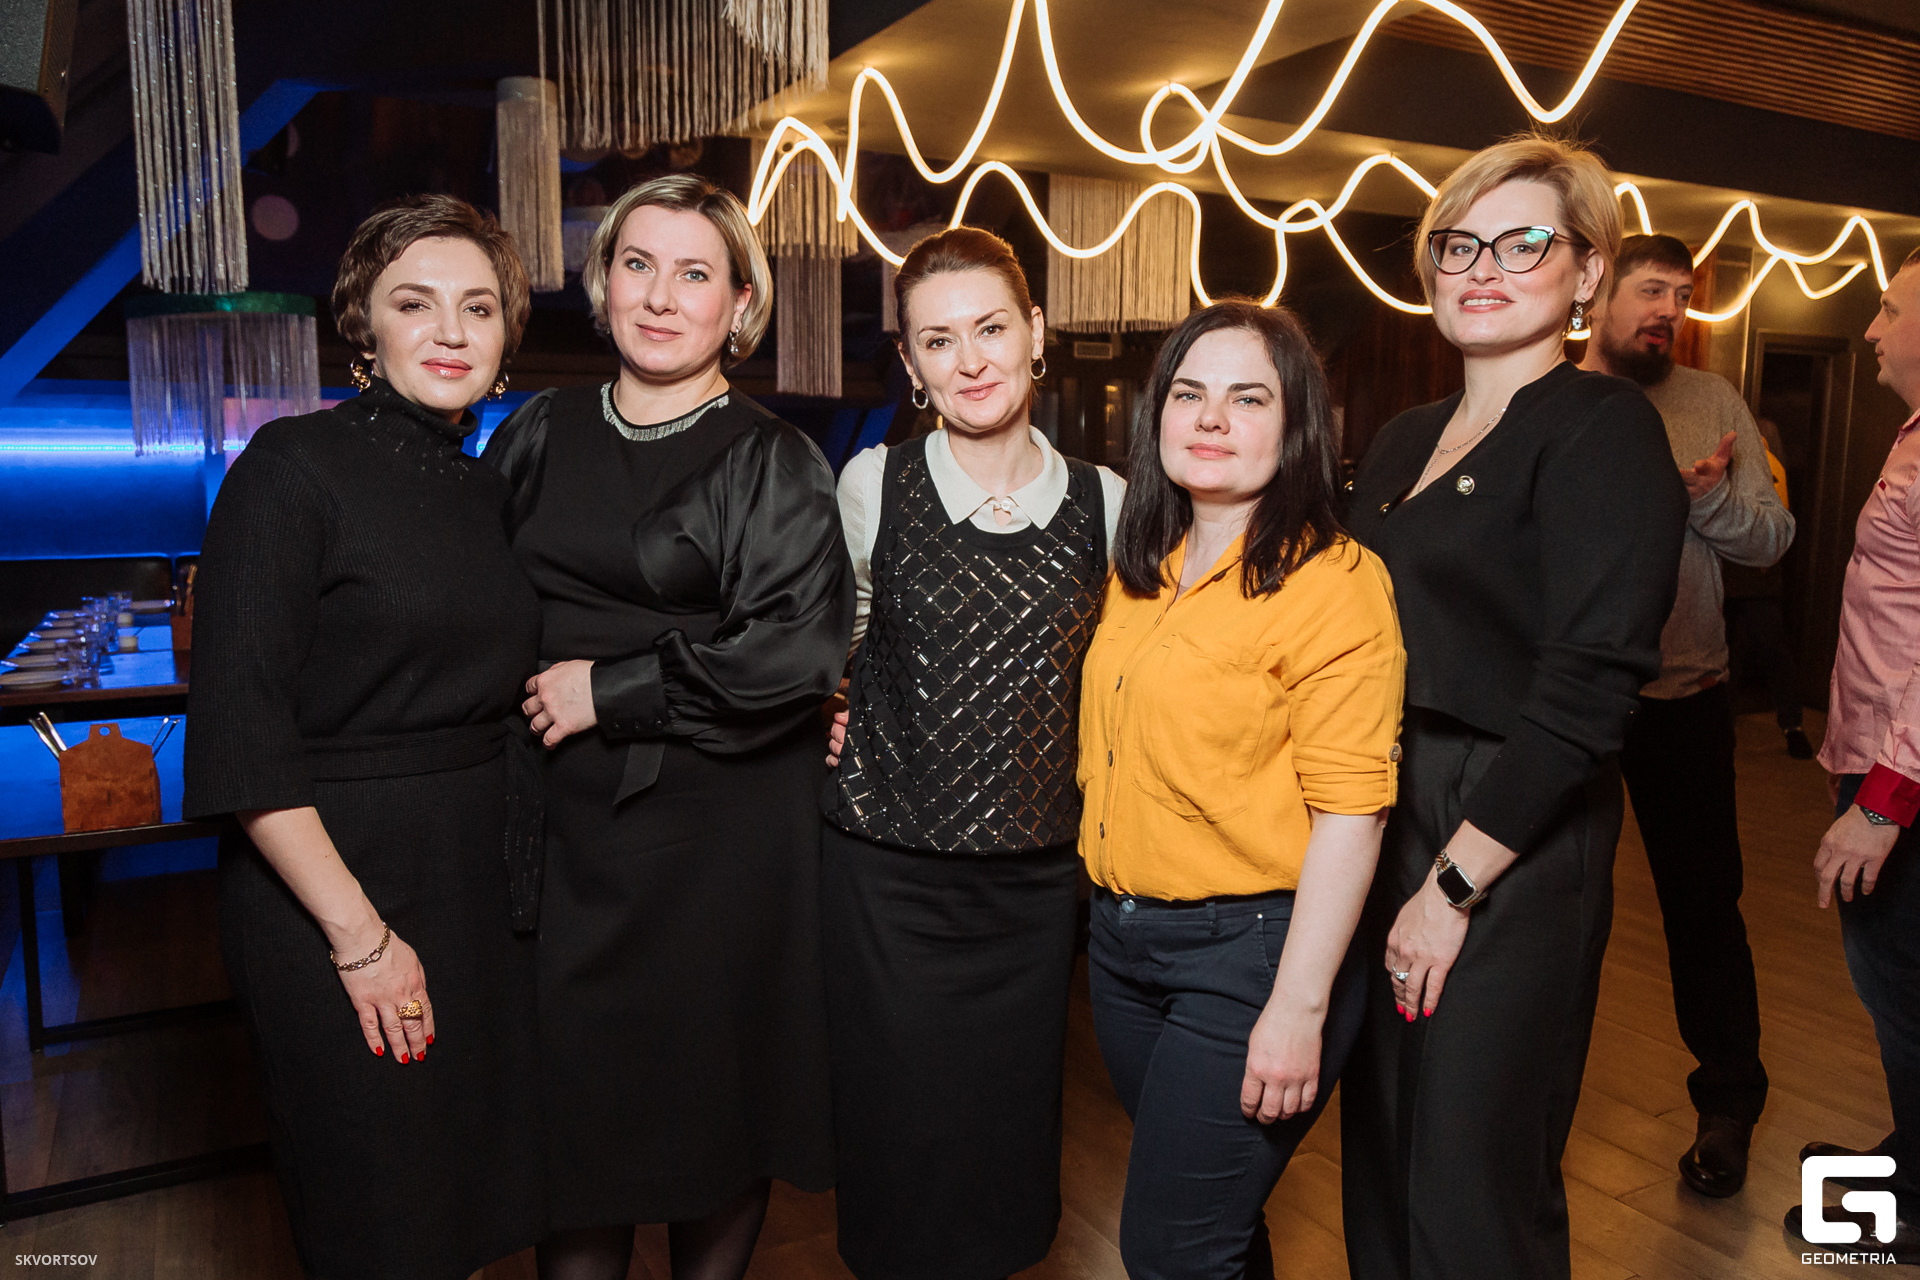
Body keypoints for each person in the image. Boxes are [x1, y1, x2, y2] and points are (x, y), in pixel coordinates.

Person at [483, 174, 853, 1280]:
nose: (659, 296)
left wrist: (610, 689)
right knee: (576, 1126)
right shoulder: (538, 429)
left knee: (712, 1108)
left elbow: (793, 654)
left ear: (740, 305)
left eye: (695, 274)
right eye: (637, 264)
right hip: (562, 829)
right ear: (602, 283)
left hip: (718, 838)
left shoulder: (772, 457)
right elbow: (471, 595)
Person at [1341, 135, 1688, 1280]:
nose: (1482, 267)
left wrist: (1451, 886)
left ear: (1587, 271)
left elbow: (1588, 692)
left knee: (1471, 1180)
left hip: (1509, 828)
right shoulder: (1401, 437)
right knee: (1383, 1156)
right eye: (1459, 244)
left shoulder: (1603, 428)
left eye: (1524, 242)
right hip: (1384, 808)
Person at [182, 195, 545, 1279]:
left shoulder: (487, 488)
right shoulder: (290, 466)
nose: (451, 331)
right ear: (365, 327)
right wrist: (362, 940)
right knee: (379, 1222)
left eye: (478, 307)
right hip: (333, 890)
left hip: (474, 888)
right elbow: (241, 736)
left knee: (459, 1211)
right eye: (415, 303)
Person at [820, 226, 1124, 1280]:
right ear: (911, 364)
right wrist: (824, 706)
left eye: (991, 328)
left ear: (1035, 332)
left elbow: (1125, 683)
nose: (971, 360)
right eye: (938, 341)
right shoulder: (874, 482)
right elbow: (831, 645)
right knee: (896, 1136)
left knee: (1005, 1141)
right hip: (886, 876)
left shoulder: (1108, 499)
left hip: (1032, 888)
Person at [1079, 300, 1404, 1277]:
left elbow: (1353, 812)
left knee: (1170, 1248)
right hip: (1121, 945)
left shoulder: (1335, 582)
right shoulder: (1143, 567)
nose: (1212, 417)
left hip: (1252, 955)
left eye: (1248, 397)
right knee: (1216, 1228)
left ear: (1296, 423)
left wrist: (1299, 1007)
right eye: (1190, 393)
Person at [1575, 231, 1794, 1197]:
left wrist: (1704, 504)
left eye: (1683, 296)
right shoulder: (1552, 398)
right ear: (1599, 294)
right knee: (1554, 910)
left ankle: (1728, 1109)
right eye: (1652, 289)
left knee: (1704, 909)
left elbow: (1772, 539)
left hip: (1686, 698)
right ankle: (1522, 1104)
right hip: (1574, 702)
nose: (1669, 309)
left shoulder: (1712, 401)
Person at [1787, 245, 1920, 1262]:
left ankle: (1911, 1204)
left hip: (1900, 776)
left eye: (1889, 310)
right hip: (1881, 760)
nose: (1871, 329)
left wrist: (1881, 801)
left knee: (1905, 988)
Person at [1723, 416, 1813, 758]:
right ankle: (1786, 726)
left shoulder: (1761, 447)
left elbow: (1777, 502)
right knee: (1743, 654)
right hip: (1743, 569)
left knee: (1760, 650)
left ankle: (1790, 725)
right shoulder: (1764, 454)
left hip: (1753, 571)